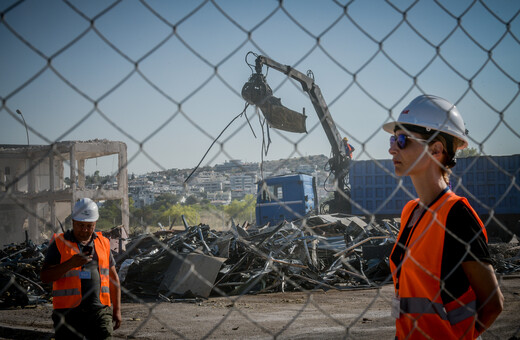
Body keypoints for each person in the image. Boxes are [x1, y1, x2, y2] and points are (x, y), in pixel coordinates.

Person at [383, 95, 503, 339]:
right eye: (393, 138)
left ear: (436, 150)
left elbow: (493, 304)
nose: (392, 147)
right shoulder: (410, 211)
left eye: (403, 139)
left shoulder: (457, 215)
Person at [41, 198, 122, 339]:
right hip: (68, 314)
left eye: (89, 226)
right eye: (80, 225)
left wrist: (117, 309)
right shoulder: (59, 243)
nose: (84, 230)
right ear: (73, 222)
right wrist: (70, 264)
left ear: (95, 223)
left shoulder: (104, 243)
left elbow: (113, 278)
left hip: (100, 312)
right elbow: (45, 277)